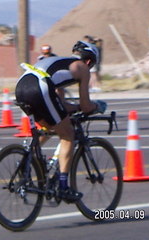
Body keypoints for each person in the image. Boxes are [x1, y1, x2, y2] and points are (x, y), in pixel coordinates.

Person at [15, 41, 107, 203]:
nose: (90, 68)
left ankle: (27, 158)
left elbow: (59, 102)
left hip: (21, 87)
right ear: (89, 61)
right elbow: (86, 106)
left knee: (52, 126)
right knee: (68, 134)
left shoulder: (58, 63)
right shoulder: (82, 67)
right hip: (40, 87)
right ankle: (64, 186)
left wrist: (74, 107)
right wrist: (97, 107)